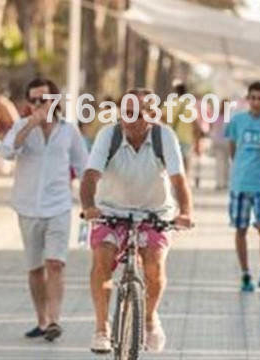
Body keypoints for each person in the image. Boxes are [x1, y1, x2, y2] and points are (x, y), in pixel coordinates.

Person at [82, 88, 193, 354]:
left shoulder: (164, 136)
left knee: (154, 267)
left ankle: (150, 317)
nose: (128, 120)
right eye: (125, 113)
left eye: (136, 114)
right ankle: (101, 328)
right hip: (110, 210)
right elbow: (90, 176)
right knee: (101, 262)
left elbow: (178, 179)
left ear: (152, 115)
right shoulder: (108, 135)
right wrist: (89, 207)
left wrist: (186, 212)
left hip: (154, 212)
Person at [0, 78, 89, 342]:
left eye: (44, 100)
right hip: (27, 207)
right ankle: (41, 319)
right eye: (34, 100)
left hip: (59, 206)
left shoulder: (69, 131)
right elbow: (7, 152)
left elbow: (84, 167)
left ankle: (54, 320)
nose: (39, 105)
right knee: (35, 268)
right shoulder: (21, 127)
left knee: (55, 263)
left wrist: (91, 203)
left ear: (55, 101)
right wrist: (30, 125)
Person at [226, 81, 260, 293]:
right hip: (240, 182)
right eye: (253, 98)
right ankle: (245, 273)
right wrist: (239, 168)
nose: (257, 102)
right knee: (240, 229)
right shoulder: (237, 121)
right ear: (248, 99)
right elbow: (233, 148)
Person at [208, 98, 231, 191]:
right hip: (227, 142)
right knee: (227, 163)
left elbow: (211, 127)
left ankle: (219, 182)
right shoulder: (230, 117)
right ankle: (226, 182)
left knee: (219, 163)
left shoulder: (216, 116)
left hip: (218, 141)